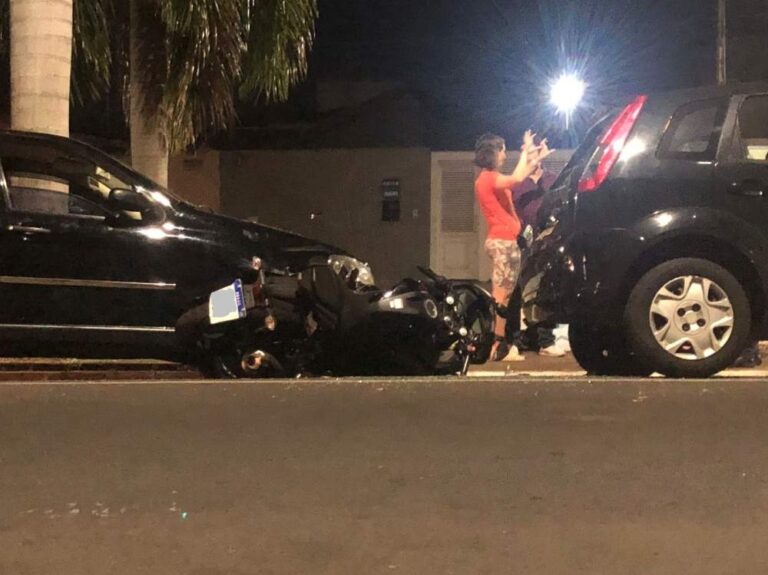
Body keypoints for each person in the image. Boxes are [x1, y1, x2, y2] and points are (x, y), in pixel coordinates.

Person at [474, 131, 551, 362]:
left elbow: (523, 173)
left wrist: (534, 158)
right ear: (494, 152)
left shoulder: (492, 177)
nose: (505, 154)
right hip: (503, 242)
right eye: (503, 150)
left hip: (505, 241)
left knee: (504, 293)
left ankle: (498, 344)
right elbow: (518, 178)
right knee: (502, 295)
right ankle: (498, 346)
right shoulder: (488, 178)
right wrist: (526, 150)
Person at [511, 164, 567, 357]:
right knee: (519, 291)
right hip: (522, 242)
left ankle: (545, 339)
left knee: (544, 289)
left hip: (547, 240)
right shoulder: (518, 183)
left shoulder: (552, 180)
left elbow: (560, 206)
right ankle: (519, 338)